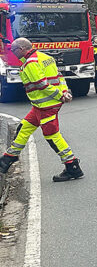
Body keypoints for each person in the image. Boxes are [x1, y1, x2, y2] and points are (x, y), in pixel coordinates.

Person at [0, 38, 84, 181]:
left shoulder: (30, 63)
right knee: (24, 127)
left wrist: (60, 96)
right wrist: (64, 91)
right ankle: (9, 157)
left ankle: (72, 166)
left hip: (46, 105)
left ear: (21, 49)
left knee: (52, 136)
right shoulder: (46, 58)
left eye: (13, 50)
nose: (12, 53)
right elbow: (59, 76)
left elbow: (41, 85)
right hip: (41, 106)